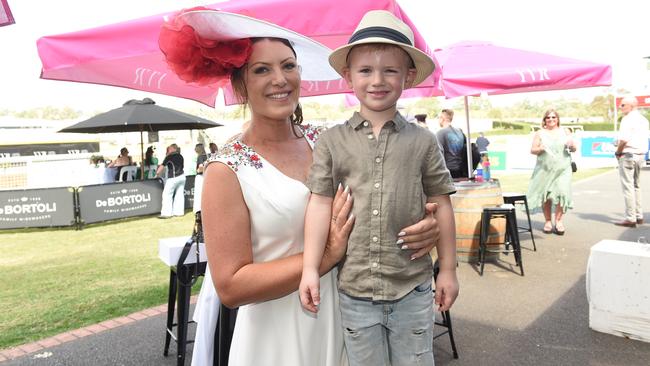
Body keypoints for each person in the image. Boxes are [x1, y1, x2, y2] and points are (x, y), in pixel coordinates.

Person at [158, 8, 442, 366]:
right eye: (262, 69)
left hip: (352, 322)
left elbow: (379, 204)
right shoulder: (226, 170)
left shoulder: (327, 141)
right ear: (239, 84)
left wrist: (424, 228)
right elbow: (231, 286)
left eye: (288, 65)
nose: (280, 79)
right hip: (278, 338)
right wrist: (324, 257)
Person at [300, 10, 459, 366]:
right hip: (355, 291)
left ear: (409, 75)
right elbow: (319, 205)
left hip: (412, 289)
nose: (378, 80)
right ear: (348, 76)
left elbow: (442, 203)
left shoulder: (423, 141)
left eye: (390, 70)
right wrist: (310, 268)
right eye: (365, 70)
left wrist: (448, 268)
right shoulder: (331, 141)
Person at [527, 109, 576, 235]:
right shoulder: (540, 133)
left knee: (562, 193)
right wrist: (540, 148)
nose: (551, 119)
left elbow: (574, 148)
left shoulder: (566, 131)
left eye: (554, 117)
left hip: (563, 168)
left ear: (558, 119)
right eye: (548, 117)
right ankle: (548, 221)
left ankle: (559, 221)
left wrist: (571, 146)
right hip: (545, 169)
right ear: (544, 120)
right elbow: (533, 150)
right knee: (546, 196)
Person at [613, 96, 649, 227]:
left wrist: (618, 152)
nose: (620, 107)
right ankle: (639, 216)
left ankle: (631, 217)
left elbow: (624, 139)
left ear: (631, 106)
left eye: (623, 105)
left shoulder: (627, 119)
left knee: (628, 187)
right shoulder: (643, 119)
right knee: (636, 186)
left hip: (628, 154)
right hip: (640, 155)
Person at [155, 143, 185, 218]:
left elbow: (162, 166)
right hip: (182, 177)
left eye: (170, 148)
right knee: (179, 195)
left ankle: (166, 213)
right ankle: (179, 212)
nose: (169, 149)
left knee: (167, 195)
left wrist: (157, 174)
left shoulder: (169, 156)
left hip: (173, 178)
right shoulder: (180, 156)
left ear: (173, 149)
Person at [436, 109, 468, 178]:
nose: (438, 120)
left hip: (447, 170)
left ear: (442, 118)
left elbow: (439, 153)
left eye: (439, 117)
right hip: (461, 169)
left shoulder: (440, 133)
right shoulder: (459, 132)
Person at [193, 143, 208, 212]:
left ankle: (198, 209)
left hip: (200, 176)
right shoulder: (208, 156)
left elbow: (201, 166)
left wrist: (198, 170)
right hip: (206, 175)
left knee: (199, 193)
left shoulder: (200, 157)